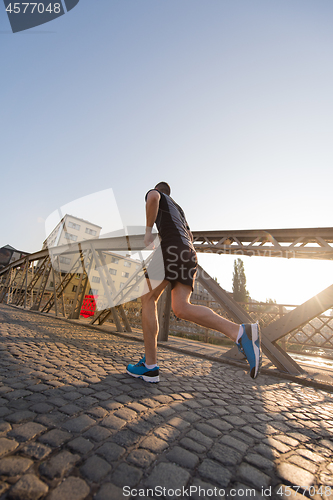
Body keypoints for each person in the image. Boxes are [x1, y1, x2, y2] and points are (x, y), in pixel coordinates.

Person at [126, 182, 261, 382]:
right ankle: (240, 332)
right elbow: (190, 235)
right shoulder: (180, 212)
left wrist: (148, 231)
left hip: (170, 248)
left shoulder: (156, 194)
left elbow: (153, 198)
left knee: (148, 298)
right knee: (181, 308)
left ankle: (150, 366)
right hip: (188, 252)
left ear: (159, 189)